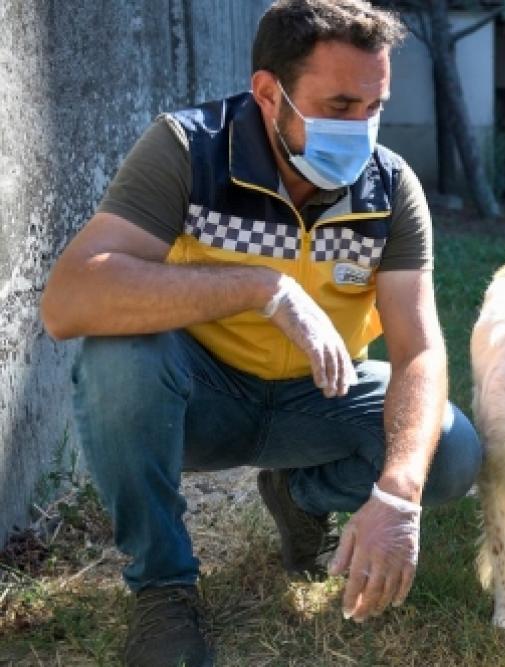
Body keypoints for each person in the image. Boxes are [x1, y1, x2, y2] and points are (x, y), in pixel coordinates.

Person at [39, 2, 482, 665]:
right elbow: (70, 298)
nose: (361, 128)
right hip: (200, 397)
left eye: (375, 106)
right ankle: (163, 590)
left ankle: (299, 496)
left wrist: (397, 495)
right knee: (118, 353)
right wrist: (262, 286)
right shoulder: (189, 150)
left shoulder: (390, 188)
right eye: (338, 104)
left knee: (449, 449)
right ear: (269, 92)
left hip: (318, 397)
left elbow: (418, 350)